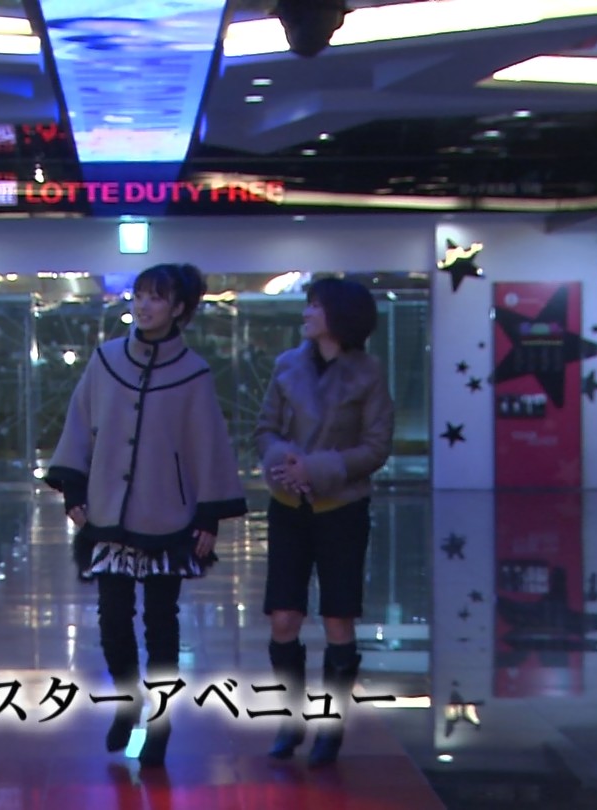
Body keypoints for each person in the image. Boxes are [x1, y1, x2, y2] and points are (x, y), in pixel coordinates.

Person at [44, 263, 248, 768]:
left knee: (162, 624)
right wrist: (73, 488)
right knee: (112, 618)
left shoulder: (194, 373)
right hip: (109, 510)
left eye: (156, 297)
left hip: (168, 515)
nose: (143, 305)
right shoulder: (106, 360)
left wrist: (208, 516)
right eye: (138, 295)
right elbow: (80, 423)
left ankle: (161, 720)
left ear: (178, 308)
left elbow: (207, 445)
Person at [253, 277, 394, 767]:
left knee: (338, 617)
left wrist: (317, 468)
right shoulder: (286, 365)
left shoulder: (369, 373)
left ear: (340, 317)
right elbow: (265, 429)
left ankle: (330, 728)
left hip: (342, 510)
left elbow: (376, 446)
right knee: (283, 616)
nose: (306, 312)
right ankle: (288, 720)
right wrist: (284, 461)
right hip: (288, 507)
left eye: (315, 306)